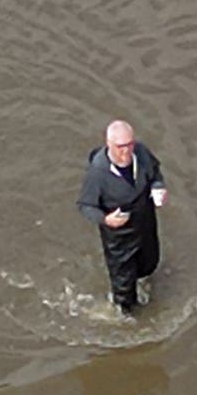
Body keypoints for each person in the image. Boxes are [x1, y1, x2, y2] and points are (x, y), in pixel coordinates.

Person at [80, 119, 169, 314]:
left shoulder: (142, 153)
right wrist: (106, 220)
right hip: (119, 237)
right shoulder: (97, 173)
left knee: (149, 265)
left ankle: (142, 283)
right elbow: (86, 205)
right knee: (124, 291)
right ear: (109, 144)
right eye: (121, 146)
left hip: (145, 223)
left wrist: (158, 188)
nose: (126, 151)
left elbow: (155, 174)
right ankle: (126, 315)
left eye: (130, 144)